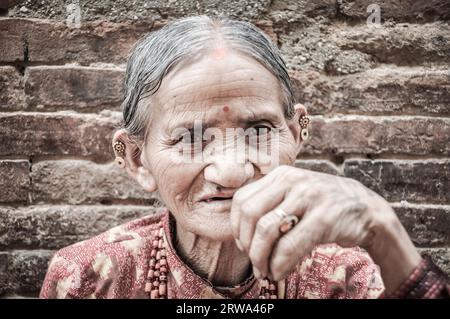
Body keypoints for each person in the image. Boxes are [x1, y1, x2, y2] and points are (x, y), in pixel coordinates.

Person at [40, 15, 449, 299]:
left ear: (295, 134)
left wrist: (384, 232)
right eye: (190, 138)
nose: (232, 172)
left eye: (259, 131)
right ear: (135, 159)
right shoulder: (87, 277)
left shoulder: (354, 277)